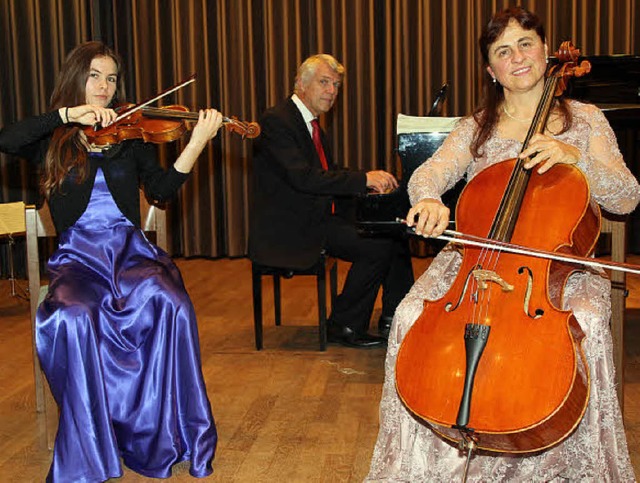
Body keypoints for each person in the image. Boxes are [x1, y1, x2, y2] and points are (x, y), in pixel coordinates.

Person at [367, 6, 640, 481]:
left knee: (589, 319)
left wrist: (577, 158)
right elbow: (431, 172)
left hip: (554, 266)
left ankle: (558, 462)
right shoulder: (477, 126)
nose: (517, 57)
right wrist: (428, 198)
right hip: (475, 259)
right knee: (410, 314)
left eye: (526, 43)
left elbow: (628, 196)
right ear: (491, 71)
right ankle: (429, 464)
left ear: (544, 49)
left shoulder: (586, 119)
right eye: (502, 51)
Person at [0, 41, 222, 482]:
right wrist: (68, 116)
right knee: (72, 315)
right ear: (75, 79)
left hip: (131, 252)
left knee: (171, 301)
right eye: (95, 75)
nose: (104, 86)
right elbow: (6, 138)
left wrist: (196, 143)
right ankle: (90, 441)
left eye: (112, 78)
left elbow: (161, 190)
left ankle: (160, 432)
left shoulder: (131, 133)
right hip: (78, 258)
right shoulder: (50, 138)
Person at [249, 54, 414, 349]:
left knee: (393, 231)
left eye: (336, 86)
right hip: (291, 227)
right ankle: (344, 325)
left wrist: (371, 182)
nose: (332, 91)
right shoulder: (277, 121)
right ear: (301, 84)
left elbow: (330, 173)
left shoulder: (312, 125)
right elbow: (305, 179)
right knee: (375, 248)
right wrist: (364, 179)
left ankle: (395, 317)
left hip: (317, 216)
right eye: (325, 83)